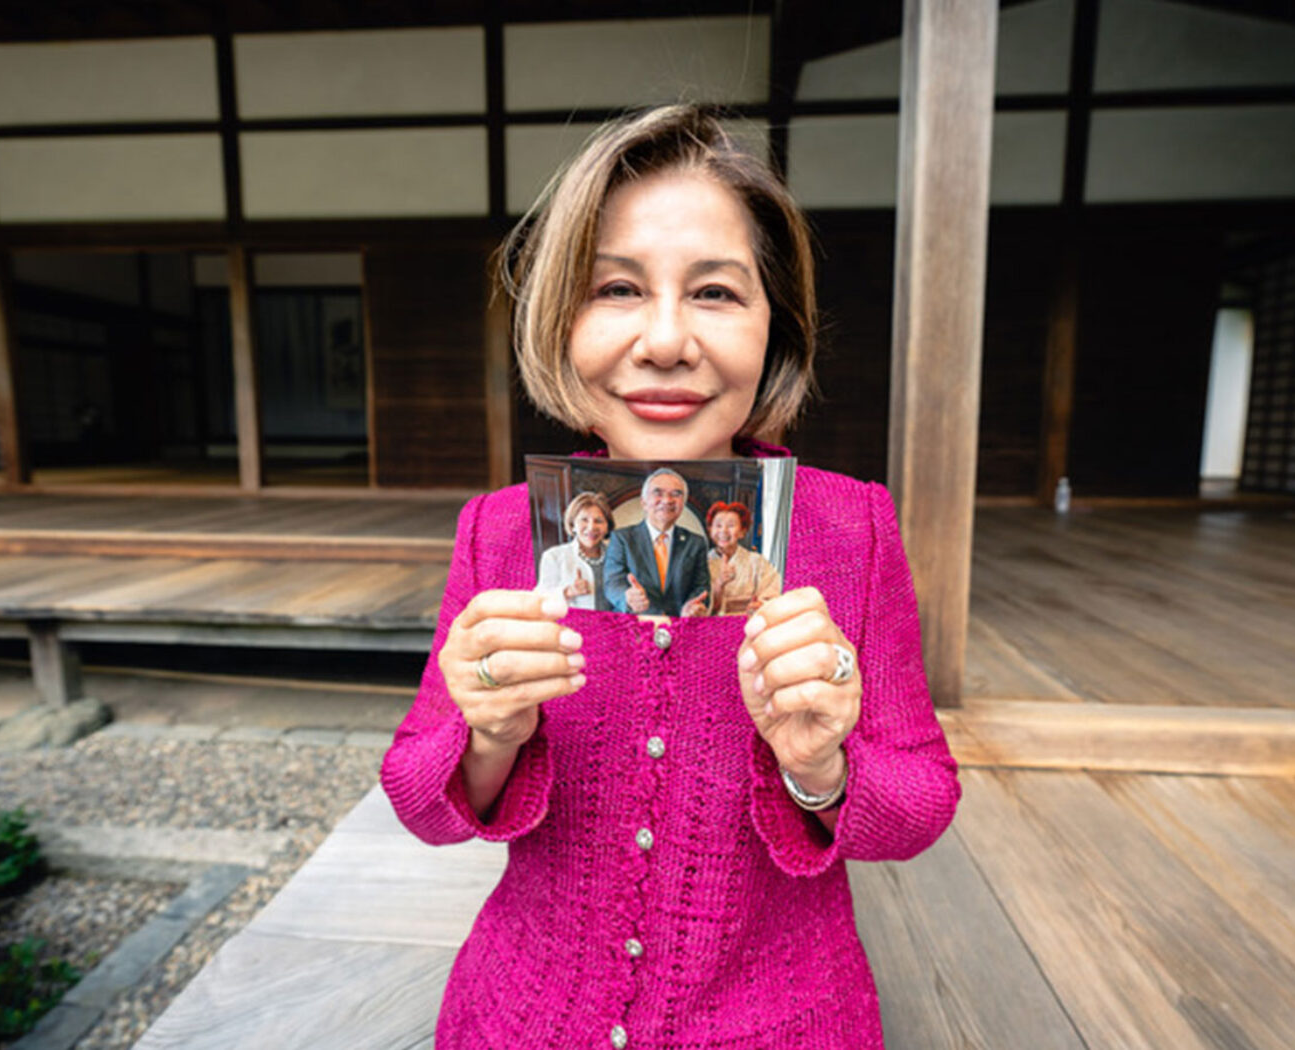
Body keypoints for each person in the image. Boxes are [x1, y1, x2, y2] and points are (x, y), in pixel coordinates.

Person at [381, 104, 960, 1050]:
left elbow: (920, 805)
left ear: (776, 325)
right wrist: (489, 737)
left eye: (717, 294)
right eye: (615, 287)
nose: (663, 342)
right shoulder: (496, 532)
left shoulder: (849, 527)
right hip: (522, 1016)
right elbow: (419, 796)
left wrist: (822, 768)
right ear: (560, 318)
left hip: (784, 1020)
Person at [603, 468, 710, 616]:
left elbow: (701, 587)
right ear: (644, 502)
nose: (667, 500)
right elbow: (612, 583)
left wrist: (692, 606)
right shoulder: (622, 538)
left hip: (678, 625)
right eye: (658, 493)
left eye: (676, 494)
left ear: (683, 504)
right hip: (634, 624)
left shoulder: (696, 542)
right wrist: (627, 597)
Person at [536, 490, 614, 611]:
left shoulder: (618, 556)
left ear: (607, 527)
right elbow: (539, 600)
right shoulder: (554, 556)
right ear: (573, 525)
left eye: (598, 521)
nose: (592, 527)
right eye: (584, 520)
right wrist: (568, 592)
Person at [705, 500, 782, 616]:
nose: (723, 531)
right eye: (718, 525)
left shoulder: (757, 562)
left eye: (731, 526)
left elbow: (772, 593)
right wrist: (719, 584)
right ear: (710, 530)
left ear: (742, 532)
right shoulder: (701, 562)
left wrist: (760, 605)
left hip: (747, 624)